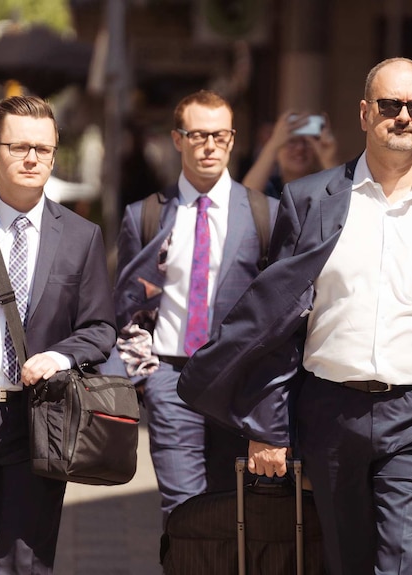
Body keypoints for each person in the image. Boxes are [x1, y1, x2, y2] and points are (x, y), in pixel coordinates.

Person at [177, 57, 412, 575]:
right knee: (346, 563)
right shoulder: (309, 199)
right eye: (391, 105)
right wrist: (266, 425)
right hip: (332, 415)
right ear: (365, 112)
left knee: (404, 565)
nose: (404, 117)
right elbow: (278, 318)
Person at [0, 95, 116, 574]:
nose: (32, 158)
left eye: (43, 149)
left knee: (26, 562)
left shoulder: (82, 237)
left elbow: (100, 327)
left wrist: (60, 357)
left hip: (38, 418)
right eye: (19, 146)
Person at [111, 89, 278, 532]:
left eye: (219, 136)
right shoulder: (145, 215)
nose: (209, 146)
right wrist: (147, 380)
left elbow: (278, 314)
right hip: (171, 381)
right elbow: (127, 307)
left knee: (236, 513)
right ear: (177, 138)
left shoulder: (266, 215)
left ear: (233, 139)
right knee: (183, 514)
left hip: (238, 387)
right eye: (198, 135)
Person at [241, 109, 339, 199]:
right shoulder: (269, 187)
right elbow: (245, 198)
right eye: (292, 141)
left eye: (307, 142)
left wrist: (329, 160)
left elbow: (344, 200)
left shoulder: (326, 188)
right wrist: (273, 145)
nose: (300, 148)